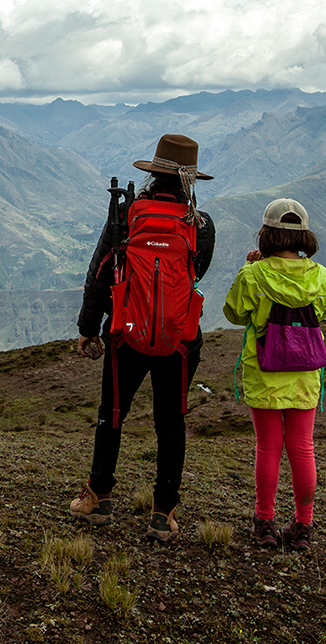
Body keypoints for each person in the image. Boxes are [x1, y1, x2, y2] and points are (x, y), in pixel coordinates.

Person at [68, 133, 216, 541]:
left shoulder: (127, 214)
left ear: (153, 173)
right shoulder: (200, 225)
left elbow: (100, 271)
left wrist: (88, 329)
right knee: (171, 423)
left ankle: (98, 497)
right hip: (179, 339)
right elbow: (196, 273)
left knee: (111, 415)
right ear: (191, 180)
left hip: (125, 334)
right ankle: (162, 513)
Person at [222, 197, 326, 551]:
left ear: (267, 234)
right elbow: (324, 310)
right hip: (305, 374)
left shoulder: (254, 274)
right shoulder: (320, 276)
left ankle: (264, 523)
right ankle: (303, 526)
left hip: (265, 372)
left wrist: (249, 269)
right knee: (303, 447)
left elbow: (234, 313)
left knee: (267, 448)